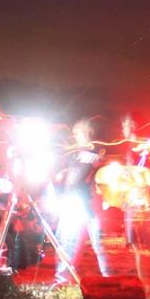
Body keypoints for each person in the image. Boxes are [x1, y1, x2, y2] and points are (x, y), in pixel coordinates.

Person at [51, 118, 108, 283]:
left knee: (74, 242)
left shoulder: (93, 155)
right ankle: (62, 278)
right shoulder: (77, 155)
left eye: (76, 132)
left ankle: (108, 277)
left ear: (85, 133)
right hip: (75, 202)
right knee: (66, 241)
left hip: (82, 203)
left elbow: (81, 178)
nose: (74, 136)